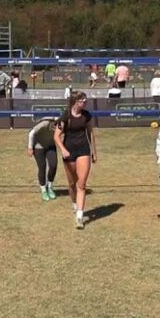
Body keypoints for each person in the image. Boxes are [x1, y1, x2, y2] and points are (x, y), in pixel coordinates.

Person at [54, 91, 96, 229]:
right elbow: (56, 136)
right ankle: (74, 203)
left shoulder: (87, 115)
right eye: (82, 100)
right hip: (69, 151)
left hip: (83, 150)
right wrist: (63, 150)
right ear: (75, 102)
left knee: (81, 184)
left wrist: (93, 151)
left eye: (85, 100)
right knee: (72, 183)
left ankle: (79, 216)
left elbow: (90, 132)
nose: (84, 102)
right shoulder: (66, 115)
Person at [27, 117, 58, 201]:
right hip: (38, 146)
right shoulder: (44, 124)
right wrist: (30, 148)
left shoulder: (61, 125)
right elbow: (31, 133)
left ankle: (50, 187)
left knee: (53, 165)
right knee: (42, 167)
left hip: (50, 145)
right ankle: (43, 189)